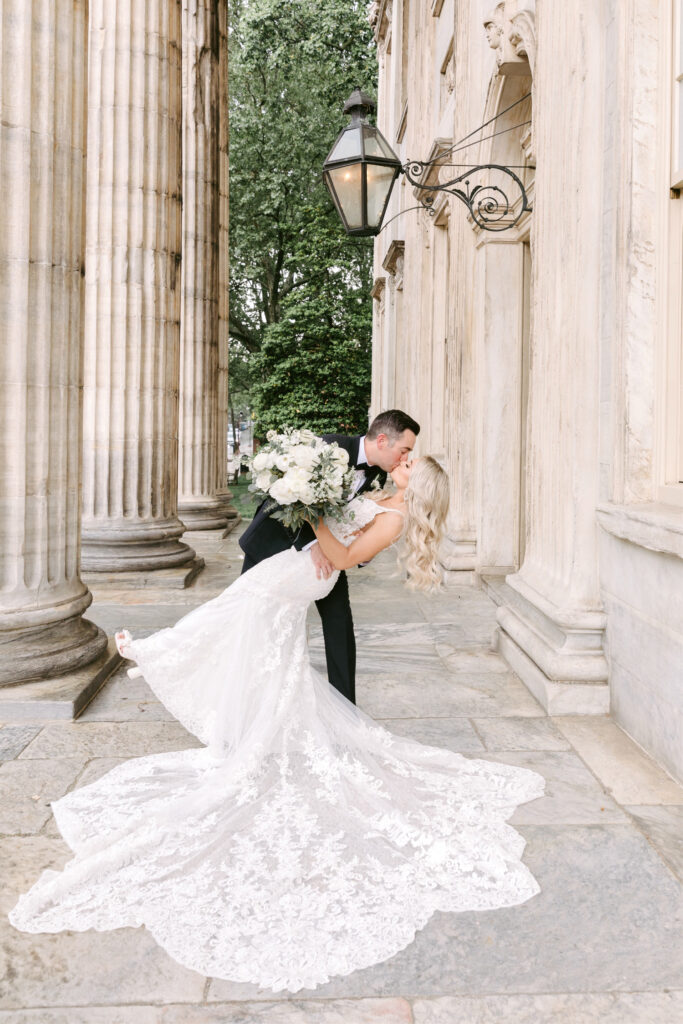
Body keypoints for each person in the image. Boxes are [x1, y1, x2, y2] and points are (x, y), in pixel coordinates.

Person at [9, 454, 545, 994]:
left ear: (418, 482)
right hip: (299, 566)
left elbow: (341, 554)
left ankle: (157, 651)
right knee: (256, 634)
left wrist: (312, 513)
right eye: (404, 455)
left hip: (307, 570)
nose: (402, 460)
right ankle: (222, 698)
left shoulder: (396, 518)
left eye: (410, 462)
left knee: (234, 610)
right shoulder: (383, 497)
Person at [238, 409, 420, 704]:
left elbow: (358, 521)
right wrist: (313, 544)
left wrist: (363, 551)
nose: (404, 458)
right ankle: (246, 698)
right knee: (247, 620)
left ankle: (346, 708)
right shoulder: (326, 449)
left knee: (339, 623)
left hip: (331, 558)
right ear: (383, 440)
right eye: (404, 450)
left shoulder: (376, 475)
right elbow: (280, 496)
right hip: (274, 545)